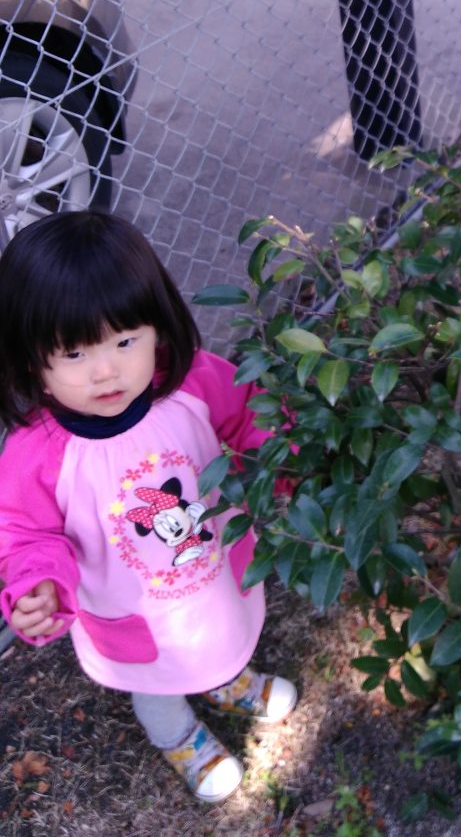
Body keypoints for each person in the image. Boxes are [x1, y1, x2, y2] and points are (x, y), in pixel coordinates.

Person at [0, 211, 296, 804]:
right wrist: (38, 586)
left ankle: (228, 683)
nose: (106, 369)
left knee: (222, 632)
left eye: (125, 340)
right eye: (74, 354)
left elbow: (251, 416)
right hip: (134, 612)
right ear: (33, 360)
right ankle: (178, 735)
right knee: (155, 681)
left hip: (211, 574)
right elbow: (24, 532)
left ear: (158, 327)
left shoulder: (194, 385)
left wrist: (283, 467)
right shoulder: (38, 453)